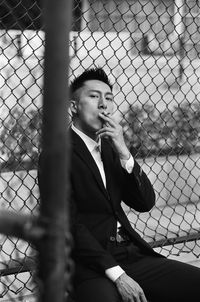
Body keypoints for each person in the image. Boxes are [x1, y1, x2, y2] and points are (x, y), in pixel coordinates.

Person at [39, 67, 200, 302]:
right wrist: (119, 276)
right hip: (87, 264)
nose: (104, 104)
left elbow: (144, 202)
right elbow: (69, 225)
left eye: (109, 98)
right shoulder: (56, 154)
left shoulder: (111, 147)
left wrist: (124, 151)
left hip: (130, 254)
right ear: (73, 107)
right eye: (94, 96)